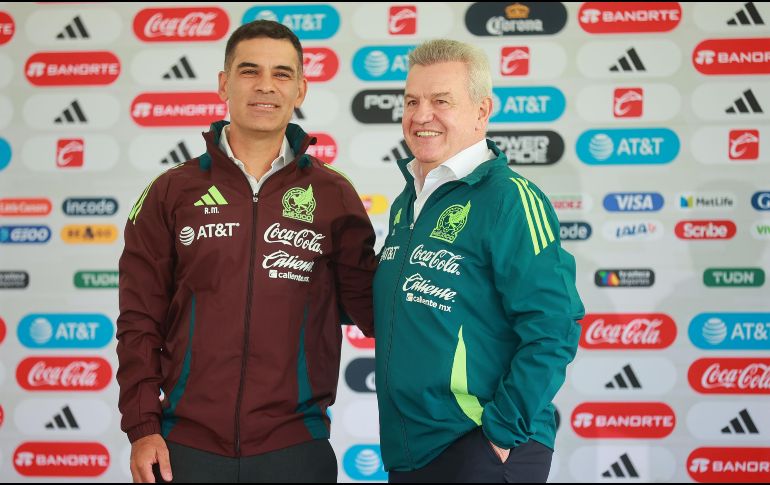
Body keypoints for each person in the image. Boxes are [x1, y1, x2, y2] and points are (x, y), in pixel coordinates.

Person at [116, 20, 376, 483]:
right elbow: (139, 320)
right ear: (223, 83)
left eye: (281, 74)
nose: (265, 86)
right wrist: (142, 428)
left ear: (300, 88)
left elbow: (378, 311)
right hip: (184, 448)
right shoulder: (170, 191)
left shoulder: (334, 195)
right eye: (249, 70)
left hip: (295, 447)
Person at [373, 39, 584, 483]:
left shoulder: (509, 198)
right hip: (411, 450)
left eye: (441, 101)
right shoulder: (407, 203)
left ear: (482, 112)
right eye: (412, 101)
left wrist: (501, 434)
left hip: (479, 447)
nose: (421, 115)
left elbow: (554, 326)